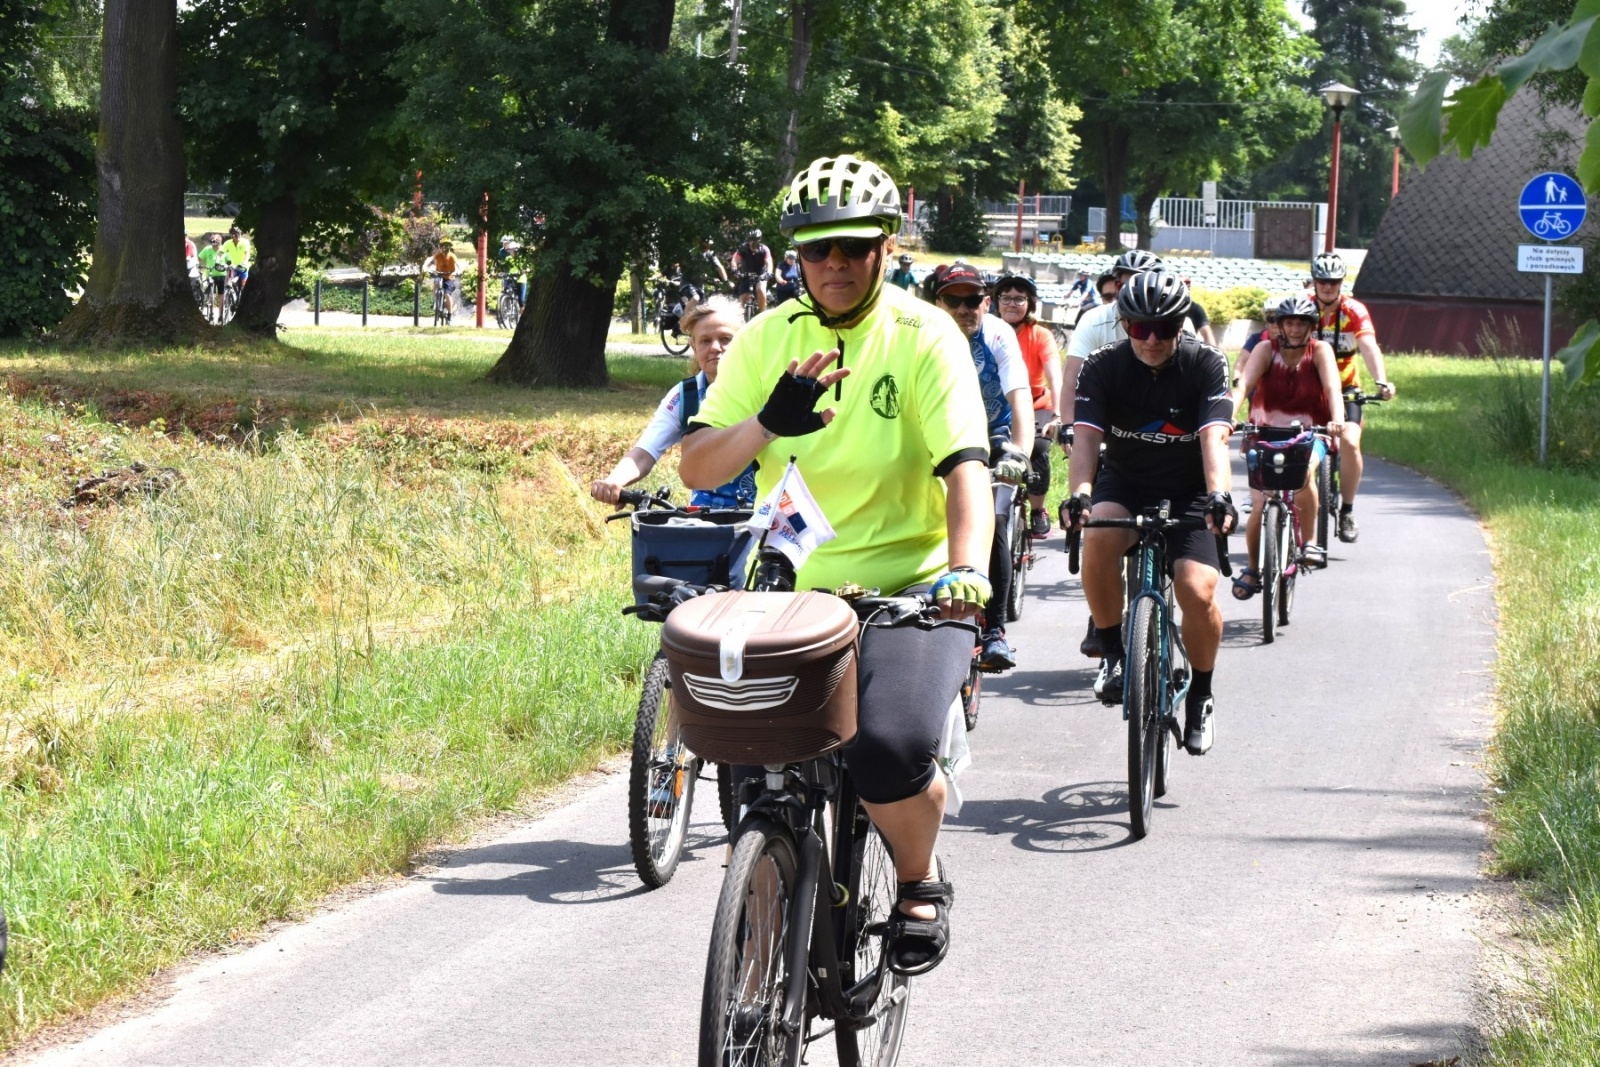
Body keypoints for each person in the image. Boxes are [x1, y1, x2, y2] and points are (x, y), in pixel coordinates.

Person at [681, 153, 992, 978]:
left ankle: (921, 881)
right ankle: (757, 979)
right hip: (797, 585)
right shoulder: (766, 338)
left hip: (914, 584)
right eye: (818, 251)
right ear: (796, 256)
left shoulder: (925, 335)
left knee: (887, 749)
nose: (837, 265)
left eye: (854, 247)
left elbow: (965, 467)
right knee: (754, 773)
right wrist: (764, 421)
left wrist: (969, 573)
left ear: (886, 246)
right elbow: (697, 467)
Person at [1061, 271, 1237, 756]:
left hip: (1191, 488)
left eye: (1165, 327)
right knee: (1097, 531)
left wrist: (1220, 494)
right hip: (1127, 480)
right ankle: (1115, 654)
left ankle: (1200, 693)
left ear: (1182, 323)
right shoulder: (1103, 365)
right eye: (1140, 328)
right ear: (1124, 325)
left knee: (1196, 588)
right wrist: (1079, 492)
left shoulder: (1206, 364)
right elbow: (1086, 440)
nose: (1153, 339)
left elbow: (1213, 439)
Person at [1059, 250, 1187, 659]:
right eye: (1126, 279)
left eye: (1144, 278)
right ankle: (1104, 615)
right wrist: (1067, 426)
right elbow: (1073, 380)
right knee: (1098, 517)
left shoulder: (1176, 323)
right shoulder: (1095, 322)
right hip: (1110, 426)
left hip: (1164, 429)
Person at [931, 262, 1033, 672]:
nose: (963, 309)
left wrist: (1019, 456)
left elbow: (1020, 399)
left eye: (972, 300)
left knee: (991, 517)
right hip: (937, 438)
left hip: (991, 438)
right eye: (952, 301)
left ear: (985, 303)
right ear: (937, 303)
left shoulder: (997, 334)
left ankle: (994, 631)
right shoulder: (921, 336)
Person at [590, 295, 755, 509]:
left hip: (768, 516)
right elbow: (644, 452)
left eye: (725, 338)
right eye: (705, 340)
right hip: (707, 519)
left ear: (743, 342)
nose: (715, 347)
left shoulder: (764, 387)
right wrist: (614, 480)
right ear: (694, 347)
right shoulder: (684, 396)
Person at [1229, 294, 1344, 590]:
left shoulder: (1320, 352)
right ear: (1279, 325)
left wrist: (1337, 419)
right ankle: (1253, 569)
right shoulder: (1266, 349)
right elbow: (1244, 386)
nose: (1294, 329)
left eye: (1300, 324)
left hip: (1310, 431)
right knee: (1258, 505)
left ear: (1311, 327)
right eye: (1289, 323)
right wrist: (1228, 416)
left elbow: (1333, 389)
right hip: (1264, 432)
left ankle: (1310, 544)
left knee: (1304, 474)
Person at [1309, 252, 1396, 543]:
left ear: (1341, 283)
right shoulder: (1305, 308)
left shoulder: (1354, 310)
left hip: (1347, 390)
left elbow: (1369, 346)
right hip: (1310, 387)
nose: (1328, 287)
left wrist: (1381, 379)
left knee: (1349, 441)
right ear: (1315, 281)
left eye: (1334, 282)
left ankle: (1346, 509)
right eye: (1323, 281)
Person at [992, 273, 1063, 538]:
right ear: (995, 302)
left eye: (1019, 299)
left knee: (1039, 447)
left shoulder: (1040, 335)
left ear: (1030, 304)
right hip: (997, 407)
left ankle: (1038, 509)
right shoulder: (988, 330)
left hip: (1036, 406)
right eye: (1006, 298)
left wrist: (1057, 415)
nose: (1012, 304)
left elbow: (1055, 375)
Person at [731, 228, 773, 314]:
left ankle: (762, 313)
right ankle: (740, 321)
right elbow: (735, 260)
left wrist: (768, 273)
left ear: (760, 239)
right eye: (751, 240)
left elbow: (769, 263)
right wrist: (735, 270)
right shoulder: (743, 248)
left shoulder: (764, 249)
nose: (752, 242)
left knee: (760, 289)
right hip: (746, 274)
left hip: (761, 274)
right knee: (742, 299)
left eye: (755, 240)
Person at [422, 239, 461, 315]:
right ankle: (435, 301)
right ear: (441, 247)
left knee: (447, 295)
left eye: (447, 246)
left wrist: (458, 271)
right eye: (444, 246)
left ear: (450, 247)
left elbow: (458, 263)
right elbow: (430, 259)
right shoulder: (438, 255)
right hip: (439, 275)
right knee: (435, 283)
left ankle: (449, 314)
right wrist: (425, 266)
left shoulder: (452, 256)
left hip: (449, 277)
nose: (445, 248)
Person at [196, 234, 228, 316]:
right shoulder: (207, 249)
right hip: (210, 274)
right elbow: (199, 258)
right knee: (211, 293)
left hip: (221, 274)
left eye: (217, 242)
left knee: (221, 294)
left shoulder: (223, 250)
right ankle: (211, 312)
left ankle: (220, 314)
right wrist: (198, 266)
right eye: (213, 242)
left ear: (220, 243)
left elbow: (228, 260)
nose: (214, 244)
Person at [1182, 279, 1217, 346]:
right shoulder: (1165, 307)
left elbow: (1207, 333)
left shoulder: (1195, 309)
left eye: (1187, 285)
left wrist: (1213, 353)